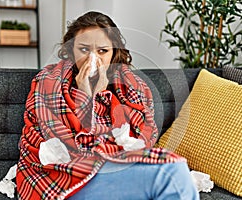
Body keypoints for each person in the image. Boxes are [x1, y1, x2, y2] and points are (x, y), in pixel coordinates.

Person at [16, 11, 199, 200]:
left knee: (173, 170)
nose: (92, 59)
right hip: (60, 175)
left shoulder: (133, 87)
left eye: (102, 51)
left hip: (112, 168)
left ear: (113, 53)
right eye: (84, 50)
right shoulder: (48, 81)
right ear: (71, 50)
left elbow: (141, 140)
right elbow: (57, 142)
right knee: (171, 175)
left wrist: (100, 95)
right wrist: (86, 95)